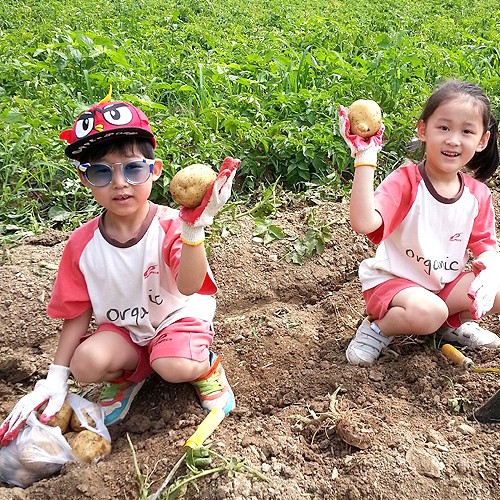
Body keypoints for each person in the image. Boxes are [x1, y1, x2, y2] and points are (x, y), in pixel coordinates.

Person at [0, 93, 238, 446]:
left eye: (133, 168)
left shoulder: (170, 225)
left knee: (173, 366)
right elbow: (77, 313)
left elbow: (189, 286)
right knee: (85, 364)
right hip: (126, 331)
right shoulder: (82, 245)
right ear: (85, 179)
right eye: (101, 171)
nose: (119, 182)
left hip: (176, 318)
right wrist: (56, 376)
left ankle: (205, 367)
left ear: (155, 170)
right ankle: (130, 375)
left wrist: (193, 229)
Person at [339, 79, 500, 366]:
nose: (453, 140)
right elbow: (364, 223)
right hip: (394, 285)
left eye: (466, 131)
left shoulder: (477, 195)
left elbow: (485, 247)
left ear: (482, 140)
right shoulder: (407, 182)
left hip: (441, 288)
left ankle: (448, 326)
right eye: (444, 128)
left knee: (491, 289)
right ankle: (378, 328)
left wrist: (491, 271)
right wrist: (365, 158)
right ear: (423, 130)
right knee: (430, 311)